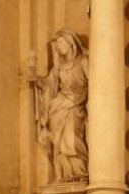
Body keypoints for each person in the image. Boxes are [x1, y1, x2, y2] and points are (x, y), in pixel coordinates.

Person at [33, 30, 89, 182]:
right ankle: (66, 174)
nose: (59, 47)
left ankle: (80, 171)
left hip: (76, 103)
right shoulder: (59, 66)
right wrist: (38, 82)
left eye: (62, 43)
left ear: (71, 44)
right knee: (58, 141)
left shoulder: (83, 61)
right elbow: (50, 83)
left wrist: (82, 97)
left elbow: (94, 83)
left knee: (71, 137)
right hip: (59, 105)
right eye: (58, 45)